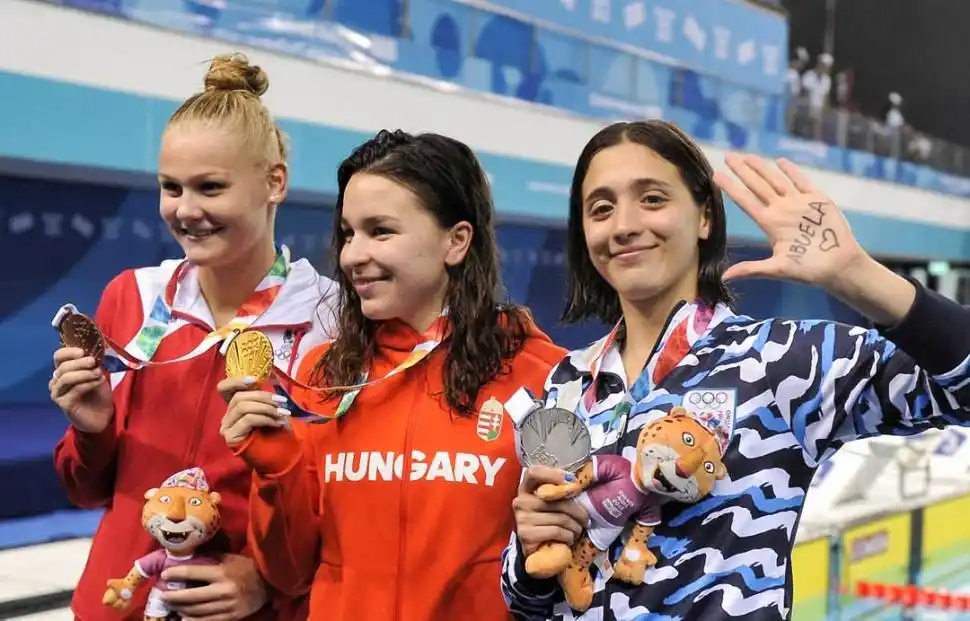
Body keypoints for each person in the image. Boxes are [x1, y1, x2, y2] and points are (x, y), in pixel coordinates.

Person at [501, 119, 970, 620]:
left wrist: (857, 275)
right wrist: (528, 561)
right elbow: (527, 603)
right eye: (601, 208)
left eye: (652, 199)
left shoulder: (780, 359)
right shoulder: (568, 381)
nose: (623, 226)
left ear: (705, 217)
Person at [217, 129, 567, 620]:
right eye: (348, 233)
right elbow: (287, 574)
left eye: (380, 231)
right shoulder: (324, 378)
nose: (352, 256)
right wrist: (278, 471)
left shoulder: (545, 378)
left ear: (456, 241)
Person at [49, 53, 337, 621]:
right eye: (171, 188)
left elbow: (347, 502)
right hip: (119, 604)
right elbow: (87, 490)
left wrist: (269, 580)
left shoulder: (331, 318)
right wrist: (92, 430)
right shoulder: (132, 298)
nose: (185, 210)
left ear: (274, 182)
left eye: (210, 187)